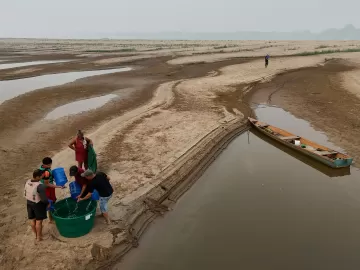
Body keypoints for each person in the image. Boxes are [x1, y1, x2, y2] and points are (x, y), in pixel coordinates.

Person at [24, 169, 49, 242]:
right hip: (37, 204)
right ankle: (39, 237)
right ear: (38, 177)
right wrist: (48, 203)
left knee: (32, 219)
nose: (42, 177)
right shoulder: (40, 186)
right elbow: (44, 199)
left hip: (29, 202)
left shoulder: (27, 182)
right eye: (41, 176)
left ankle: (35, 235)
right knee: (39, 221)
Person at [39, 157, 64, 223]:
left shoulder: (41, 168)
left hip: (45, 187)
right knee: (50, 202)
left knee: (52, 201)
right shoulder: (46, 172)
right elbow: (47, 184)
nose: (50, 166)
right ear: (48, 164)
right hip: (47, 189)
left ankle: (52, 216)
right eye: (50, 165)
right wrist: (58, 186)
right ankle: (51, 219)